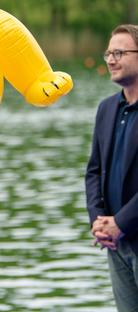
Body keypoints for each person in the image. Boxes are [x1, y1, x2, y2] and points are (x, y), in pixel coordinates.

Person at [86, 24, 138, 311]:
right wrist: (99, 221)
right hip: (115, 243)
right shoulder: (107, 108)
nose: (110, 59)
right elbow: (94, 170)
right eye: (108, 53)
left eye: (119, 52)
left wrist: (121, 223)